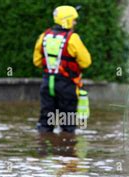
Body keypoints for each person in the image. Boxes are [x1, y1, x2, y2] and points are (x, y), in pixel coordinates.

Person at [33, 5, 91, 133]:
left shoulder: (44, 36)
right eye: (74, 19)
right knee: (68, 124)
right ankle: (67, 149)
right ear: (68, 20)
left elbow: (36, 61)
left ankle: (44, 148)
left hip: (47, 85)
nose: (75, 22)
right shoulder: (73, 38)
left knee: (46, 121)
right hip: (66, 86)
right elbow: (86, 62)